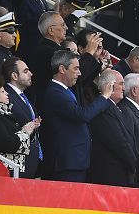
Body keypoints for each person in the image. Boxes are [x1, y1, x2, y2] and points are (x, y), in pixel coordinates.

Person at [40, 50, 115, 182]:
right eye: (76, 68)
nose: (79, 73)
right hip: (66, 163)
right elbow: (82, 115)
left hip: (75, 161)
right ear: (62, 69)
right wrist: (104, 96)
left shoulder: (64, 91)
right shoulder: (55, 93)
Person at [87, 70, 136, 187]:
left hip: (119, 173)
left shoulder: (113, 107)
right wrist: (136, 165)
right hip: (109, 176)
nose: (124, 88)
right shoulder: (103, 108)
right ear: (110, 86)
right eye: (121, 84)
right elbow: (118, 142)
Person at [1, 57, 42, 178]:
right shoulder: (6, 96)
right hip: (18, 162)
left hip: (31, 160)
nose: (31, 74)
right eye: (25, 71)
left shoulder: (22, 96)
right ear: (14, 75)